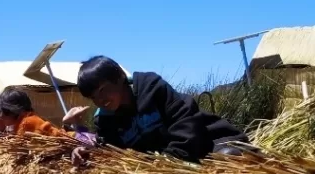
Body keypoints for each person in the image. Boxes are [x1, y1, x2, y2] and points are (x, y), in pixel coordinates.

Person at [65, 55, 251, 166]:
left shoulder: (152, 88)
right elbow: (110, 150)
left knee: (228, 159)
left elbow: (185, 123)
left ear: (120, 77)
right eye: (93, 97)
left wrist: (169, 164)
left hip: (209, 144)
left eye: (103, 90)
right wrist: (83, 145)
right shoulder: (106, 121)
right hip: (172, 166)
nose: (100, 100)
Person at [0, 87, 74, 146]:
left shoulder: (26, 123)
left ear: (14, 111)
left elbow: (15, 149)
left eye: (4, 112)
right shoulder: (22, 122)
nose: (1, 116)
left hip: (70, 140)